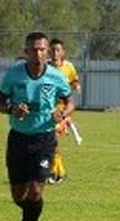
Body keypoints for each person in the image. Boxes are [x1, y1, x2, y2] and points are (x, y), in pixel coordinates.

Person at [0, 32, 74, 221]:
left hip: (44, 139)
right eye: (33, 49)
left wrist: (63, 114)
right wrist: (12, 108)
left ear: (47, 52)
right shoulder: (13, 75)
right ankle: (31, 214)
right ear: (26, 52)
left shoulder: (56, 77)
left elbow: (70, 101)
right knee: (18, 194)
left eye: (42, 49)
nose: (38, 53)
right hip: (18, 139)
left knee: (35, 190)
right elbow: (0, 102)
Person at [47, 38, 82, 184]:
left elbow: (74, 79)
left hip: (63, 109)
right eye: (52, 49)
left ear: (63, 52)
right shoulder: (45, 67)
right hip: (48, 108)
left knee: (53, 139)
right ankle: (59, 172)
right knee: (50, 141)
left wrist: (76, 85)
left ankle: (54, 173)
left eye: (57, 49)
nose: (55, 52)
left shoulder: (68, 67)